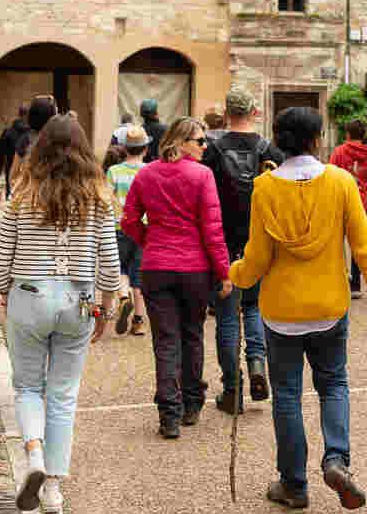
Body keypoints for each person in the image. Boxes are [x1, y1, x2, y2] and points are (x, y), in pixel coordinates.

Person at [230, 106, 367, 511]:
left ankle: (293, 483)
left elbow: (254, 260)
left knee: (287, 395)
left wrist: (233, 274)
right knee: (334, 385)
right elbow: (363, 249)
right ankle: (337, 459)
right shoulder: (341, 182)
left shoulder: (265, 187)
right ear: (316, 138)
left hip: (280, 311)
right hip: (329, 306)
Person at [0, 114, 120, 514]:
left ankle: (33, 456)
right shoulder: (97, 196)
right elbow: (109, 262)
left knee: (29, 388)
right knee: (63, 396)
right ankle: (53, 492)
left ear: (40, 146)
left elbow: (1, 255)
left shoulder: (22, 192)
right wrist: (107, 306)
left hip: (28, 294)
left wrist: (1, 293)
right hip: (78, 300)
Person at [121, 117, 231, 438]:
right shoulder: (202, 176)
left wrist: (149, 240)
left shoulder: (147, 174)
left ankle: (168, 412)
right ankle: (192, 403)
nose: (205, 146)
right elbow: (213, 231)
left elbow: (129, 220)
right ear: (182, 142)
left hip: (156, 265)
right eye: (200, 141)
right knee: (192, 335)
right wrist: (224, 272)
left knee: (165, 340)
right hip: (194, 268)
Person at [203, 87, 282, 413]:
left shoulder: (212, 150)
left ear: (226, 112)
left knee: (226, 316)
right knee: (253, 309)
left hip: (222, 239)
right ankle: (258, 364)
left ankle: (232, 387)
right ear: (254, 112)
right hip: (259, 239)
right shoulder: (269, 149)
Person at [107, 125, 149, 337]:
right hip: (143, 229)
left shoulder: (113, 171)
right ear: (145, 149)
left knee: (121, 268)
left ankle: (123, 298)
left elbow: (106, 199)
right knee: (138, 275)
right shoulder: (150, 171)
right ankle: (139, 321)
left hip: (119, 227)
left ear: (124, 148)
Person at [329, 118, 367, 298]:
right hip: (361, 199)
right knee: (358, 243)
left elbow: (331, 172)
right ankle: (356, 285)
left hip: (341, 199)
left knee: (337, 241)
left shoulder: (339, 151)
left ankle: (340, 279)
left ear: (347, 133)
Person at [9, 96, 58, 189]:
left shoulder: (26, 139)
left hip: (31, 195)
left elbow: (13, 175)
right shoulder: (60, 139)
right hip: (53, 196)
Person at [0, 105, 30, 201]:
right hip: (27, 166)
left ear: (19, 114)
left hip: (10, 166)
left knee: (11, 194)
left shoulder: (8, 131)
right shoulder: (32, 133)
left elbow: (0, 151)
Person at [140, 98, 166, 164]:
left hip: (143, 166)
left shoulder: (139, 129)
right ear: (156, 112)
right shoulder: (165, 128)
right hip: (160, 166)